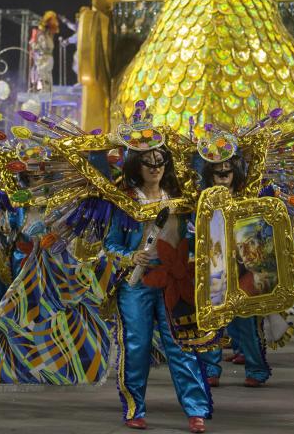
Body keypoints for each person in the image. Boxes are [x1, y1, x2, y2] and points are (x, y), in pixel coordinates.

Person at [104, 146, 211, 432]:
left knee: (181, 343)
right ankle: (134, 407)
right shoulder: (124, 203)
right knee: (136, 345)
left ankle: (196, 410)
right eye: (148, 163)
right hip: (136, 283)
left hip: (172, 281)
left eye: (160, 162)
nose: (155, 168)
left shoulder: (181, 201)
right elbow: (110, 244)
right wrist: (130, 257)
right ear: (136, 167)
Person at [199, 153, 271, 389]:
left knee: (246, 322)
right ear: (209, 175)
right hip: (212, 269)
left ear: (234, 174)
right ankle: (211, 368)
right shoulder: (202, 201)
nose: (222, 176)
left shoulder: (245, 200)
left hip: (242, 269)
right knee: (213, 321)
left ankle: (256, 368)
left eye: (226, 171)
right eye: (217, 172)